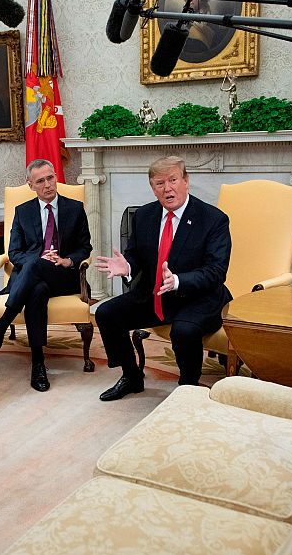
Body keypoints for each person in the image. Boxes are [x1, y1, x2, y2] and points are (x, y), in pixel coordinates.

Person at [95, 156, 231, 401]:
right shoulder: (145, 215)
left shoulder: (213, 219)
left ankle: (187, 389)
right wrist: (126, 266)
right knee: (106, 313)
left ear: (186, 181)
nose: (167, 188)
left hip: (198, 297)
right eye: (159, 183)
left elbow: (216, 271)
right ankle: (131, 376)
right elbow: (135, 255)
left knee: (184, 331)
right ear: (152, 187)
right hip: (156, 294)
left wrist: (179, 280)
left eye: (173, 180)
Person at [0, 159, 92, 392]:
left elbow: (85, 248)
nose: (48, 185)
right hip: (34, 278)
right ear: (30, 185)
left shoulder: (74, 208)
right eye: (40, 181)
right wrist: (38, 261)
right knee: (37, 289)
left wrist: (67, 260)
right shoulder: (23, 211)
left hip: (63, 276)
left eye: (50, 178)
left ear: (55, 177)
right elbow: (14, 253)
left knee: (35, 269)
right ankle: (38, 363)